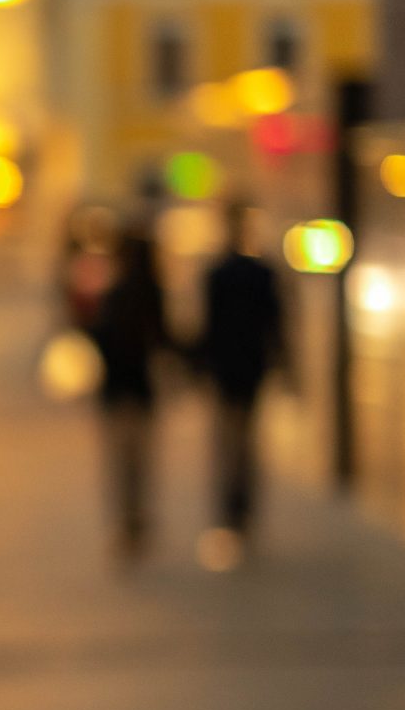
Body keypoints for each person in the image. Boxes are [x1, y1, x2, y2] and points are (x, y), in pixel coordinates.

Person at [197, 202, 290, 555]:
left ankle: (232, 511)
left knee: (230, 442)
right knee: (245, 442)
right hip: (249, 368)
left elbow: (208, 330)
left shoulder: (219, 273)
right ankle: (241, 509)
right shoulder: (259, 272)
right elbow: (276, 326)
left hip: (229, 370)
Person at [83, 216, 174, 562]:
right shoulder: (152, 294)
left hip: (117, 392)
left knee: (122, 464)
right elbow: (165, 341)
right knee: (141, 462)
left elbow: (101, 339)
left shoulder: (115, 295)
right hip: (141, 391)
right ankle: (137, 521)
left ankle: (128, 523)